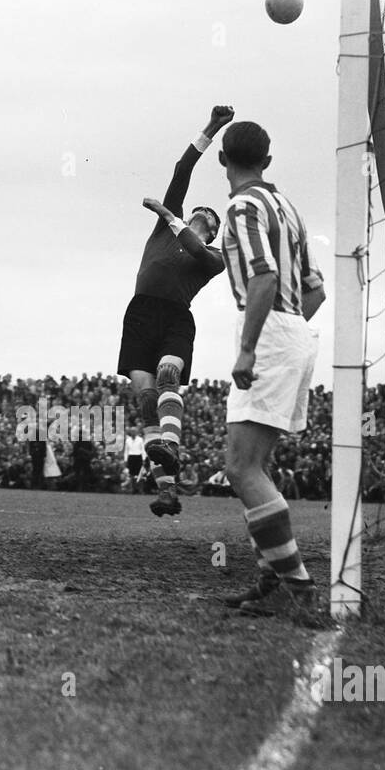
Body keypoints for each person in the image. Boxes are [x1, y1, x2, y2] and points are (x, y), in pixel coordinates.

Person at [213, 120, 326, 609]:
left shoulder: (242, 206)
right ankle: (272, 580)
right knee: (255, 466)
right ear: (268, 160)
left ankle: (296, 589)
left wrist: (252, 346)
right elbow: (315, 288)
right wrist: (290, 328)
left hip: (272, 333)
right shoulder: (289, 208)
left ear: (222, 160)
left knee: (240, 468)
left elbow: (263, 276)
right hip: (295, 329)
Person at [117, 105, 233, 517]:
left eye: (210, 218)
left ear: (213, 230)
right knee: (147, 398)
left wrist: (169, 215)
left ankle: (171, 446)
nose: (204, 214)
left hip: (175, 318)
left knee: (168, 375)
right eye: (198, 211)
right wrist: (212, 127)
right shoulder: (164, 230)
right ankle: (166, 491)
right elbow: (182, 171)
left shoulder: (213, 256)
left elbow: (196, 248)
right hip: (140, 314)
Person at [123, 426, 146, 494]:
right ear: (130, 432)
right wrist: (125, 459)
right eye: (132, 431)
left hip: (138, 457)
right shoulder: (128, 440)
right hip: (131, 457)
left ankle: (140, 490)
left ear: (137, 432)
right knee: (132, 474)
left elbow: (143, 450)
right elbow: (126, 451)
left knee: (140, 474)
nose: (133, 432)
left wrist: (144, 459)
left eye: (134, 431)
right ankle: (133, 489)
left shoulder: (140, 439)